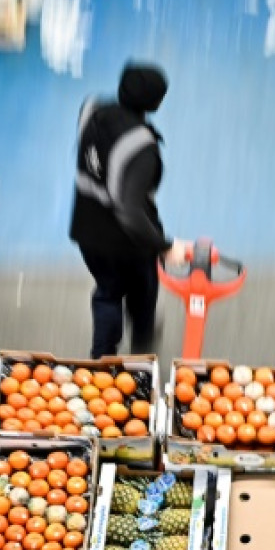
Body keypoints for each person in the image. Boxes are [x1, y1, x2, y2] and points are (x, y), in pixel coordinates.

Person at [70, 62, 189, 359]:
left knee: (108, 292)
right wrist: (165, 246)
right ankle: (141, 355)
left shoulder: (91, 110)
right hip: (127, 244)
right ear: (156, 103)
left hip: (87, 231)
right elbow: (128, 210)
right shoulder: (142, 148)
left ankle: (102, 359)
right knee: (143, 294)